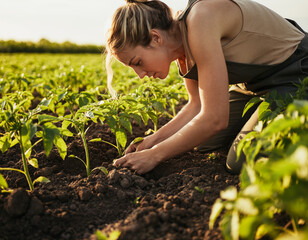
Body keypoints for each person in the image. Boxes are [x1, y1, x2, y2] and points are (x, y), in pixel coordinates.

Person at [106, 0, 308, 174]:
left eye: (138, 62)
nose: (140, 75)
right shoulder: (179, 50)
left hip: (296, 72)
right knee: (203, 143)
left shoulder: (201, 19)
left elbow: (215, 119)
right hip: (254, 85)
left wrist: (154, 155)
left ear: (156, 38)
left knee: (241, 160)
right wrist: (152, 141)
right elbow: (196, 106)